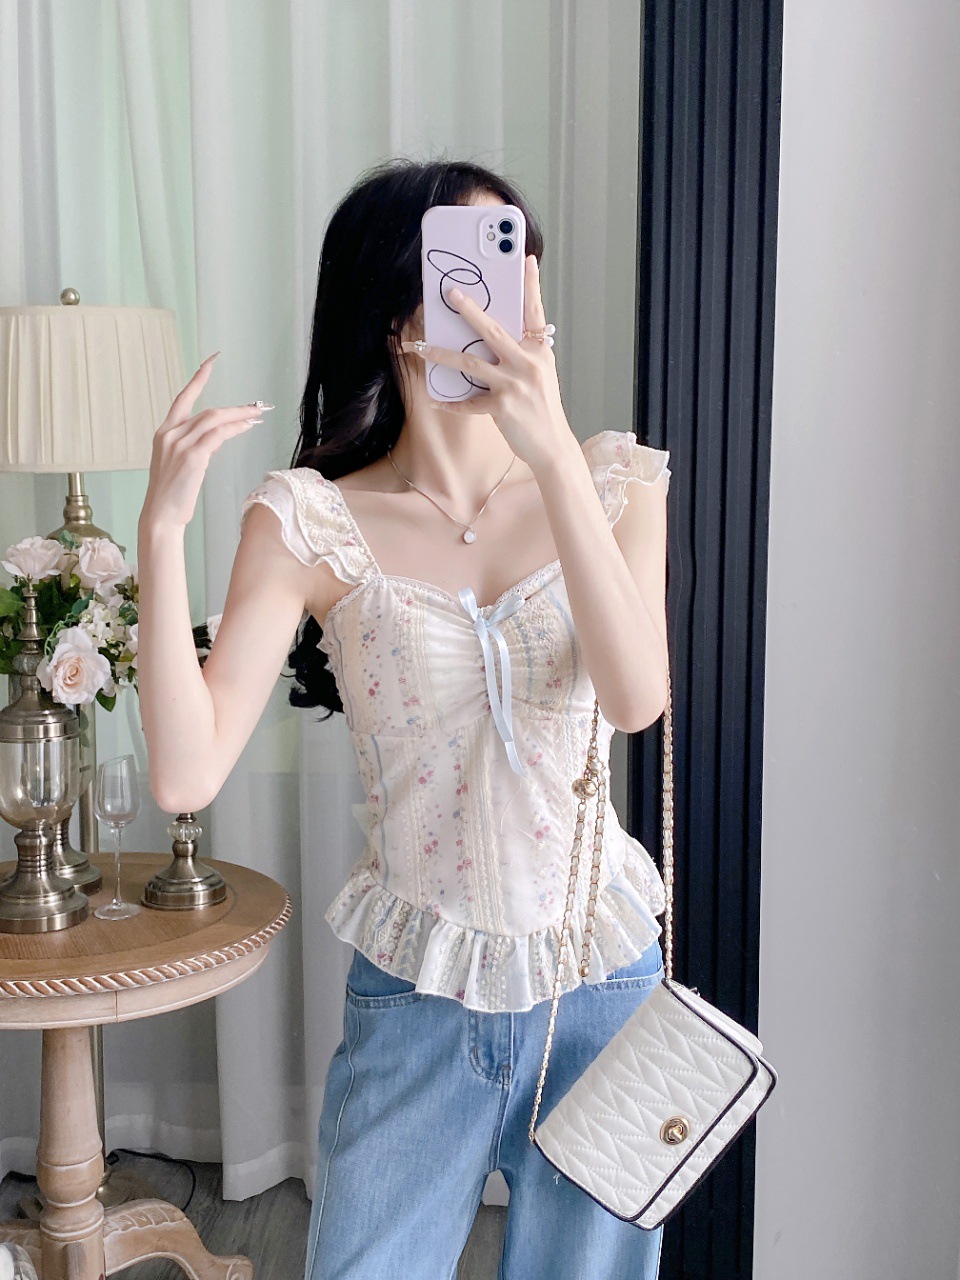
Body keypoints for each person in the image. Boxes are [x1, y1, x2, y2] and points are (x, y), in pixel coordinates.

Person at [136, 157, 671, 1280]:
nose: (513, 297)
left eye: (520, 259)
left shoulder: (614, 483)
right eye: (475, 266)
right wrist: (160, 533)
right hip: (420, 997)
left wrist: (552, 449)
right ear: (398, 312)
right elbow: (186, 774)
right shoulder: (310, 522)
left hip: (601, 983)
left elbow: (635, 699)